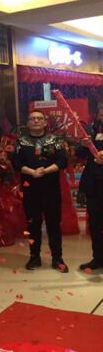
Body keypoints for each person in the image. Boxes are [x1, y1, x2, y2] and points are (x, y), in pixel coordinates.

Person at [14, 109, 69, 272]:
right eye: (32, 118)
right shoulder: (21, 142)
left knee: (54, 224)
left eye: (39, 118)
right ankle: (34, 257)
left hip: (51, 188)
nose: (36, 121)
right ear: (28, 123)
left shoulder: (55, 140)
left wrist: (45, 171)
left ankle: (57, 258)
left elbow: (63, 161)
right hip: (30, 189)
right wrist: (32, 172)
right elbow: (16, 163)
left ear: (45, 122)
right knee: (33, 224)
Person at [77, 107, 103, 272]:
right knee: (95, 224)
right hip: (93, 183)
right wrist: (84, 145)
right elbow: (79, 154)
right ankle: (98, 258)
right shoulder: (91, 130)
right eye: (101, 112)